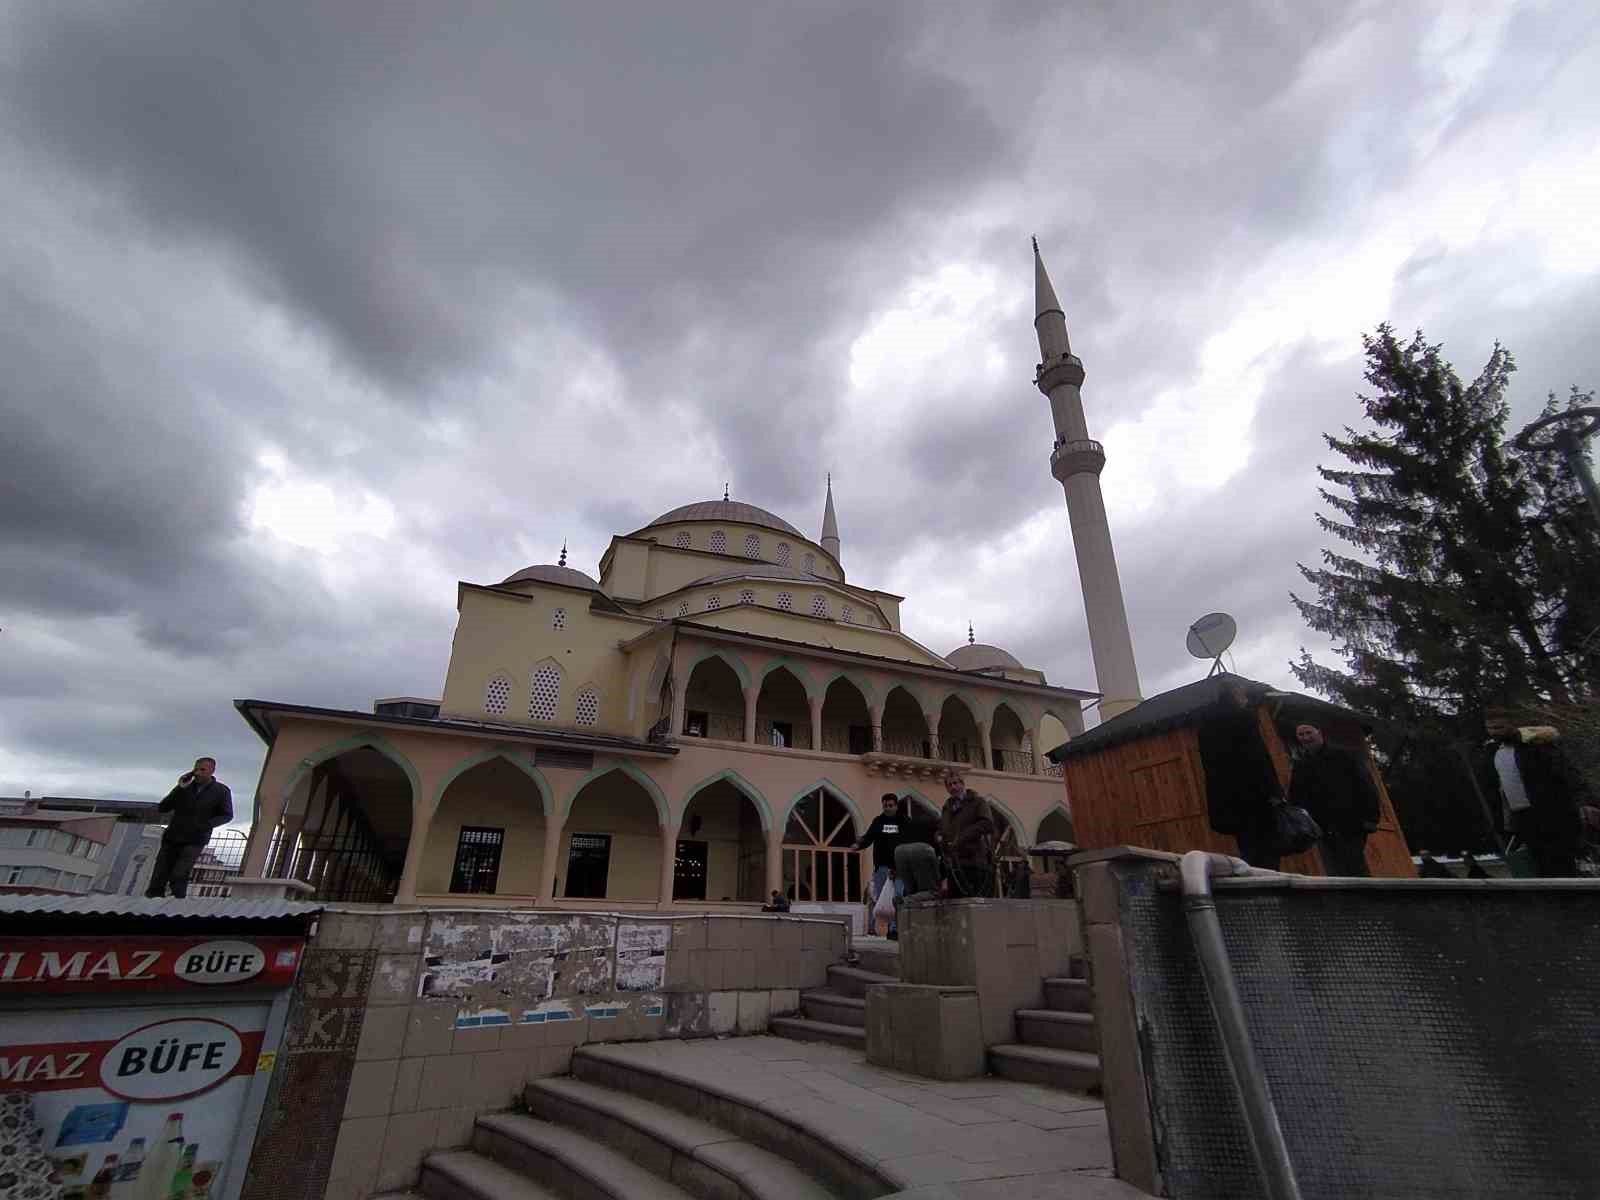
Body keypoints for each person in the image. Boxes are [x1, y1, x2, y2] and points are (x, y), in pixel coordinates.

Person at [1484, 713, 1587, 878]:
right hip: (1522, 816)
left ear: (1513, 725)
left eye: (1499, 727)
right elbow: (1503, 788)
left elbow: (1566, 774)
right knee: (1540, 863)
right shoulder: (1497, 753)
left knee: (1561, 862)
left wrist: (1580, 803)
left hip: (1551, 812)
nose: (1494, 732)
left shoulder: (1536, 746)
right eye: (1490, 728)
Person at [1196, 681, 1284, 869]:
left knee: (1248, 850)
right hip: (1256, 797)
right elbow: (1258, 759)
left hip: (1229, 800)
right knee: (1267, 851)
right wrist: (1274, 792)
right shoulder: (1243, 720)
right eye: (1243, 695)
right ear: (1235, 694)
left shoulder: (1205, 724)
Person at [1286, 724, 1380, 876]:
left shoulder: (1344, 756)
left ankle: (1367, 898)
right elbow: (1295, 796)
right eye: (1301, 735)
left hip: (1351, 822)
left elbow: (1366, 786)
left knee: (1353, 865)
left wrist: (1371, 818)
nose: (1305, 738)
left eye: (1308, 732)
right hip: (1321, 826)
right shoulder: (1301, 765)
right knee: (1335, 868)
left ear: (1319, 732)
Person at [147, 757, 233, 899]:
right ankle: (150, 903)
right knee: (159, 875)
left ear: (212, 771)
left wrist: (206, 825)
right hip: (172, 837)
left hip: (195, 839)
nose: (198, 773)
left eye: (202, 770)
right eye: (196, 770)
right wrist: (179, 788)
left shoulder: (221, 791)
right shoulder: (185, 788)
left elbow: (227, 815)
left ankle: (177, 903)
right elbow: (163, 807)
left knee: (179, 874)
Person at [853, 793, 907, 934]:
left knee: (898, 897)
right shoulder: (879, 821)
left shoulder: (904, 821)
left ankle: (895, 928)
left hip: (899, 867)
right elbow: (869, 837)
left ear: (896, 806)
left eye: (890, 806)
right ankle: (885, 927)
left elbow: (911, 839)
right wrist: (858, 845)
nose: (888, 808)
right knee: (881, 898)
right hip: (882, 867)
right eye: (885, 806)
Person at [938, 767, 995, 898]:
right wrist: (939, 835)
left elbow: (987, 824)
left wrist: (963, 837)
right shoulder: (947, 808)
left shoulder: (977, 802)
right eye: (949, 784)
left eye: (955, 783)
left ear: (962, 784)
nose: (953, 787)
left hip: (974, 861)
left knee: (975, 900)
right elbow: (943, 828)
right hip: (954, 863)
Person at [893, 796, 941, 906]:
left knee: (913, 892)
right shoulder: (935, 822)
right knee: (932, 892)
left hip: (900, 851)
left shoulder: (912, 822)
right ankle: (905, 900)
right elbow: (939, 846)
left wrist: (894, 868)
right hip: (922, 849)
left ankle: (904, 901)